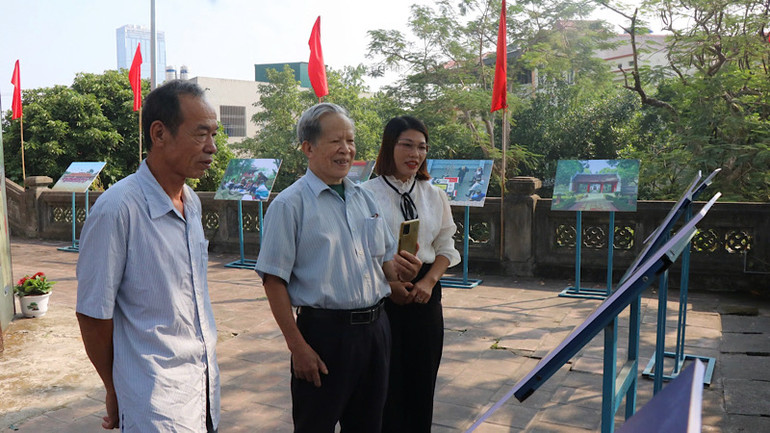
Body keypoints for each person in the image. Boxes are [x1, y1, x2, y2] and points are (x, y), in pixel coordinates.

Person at [254, 103, 422, 433]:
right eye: (335, 141)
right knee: (315, 424)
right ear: (308, 148)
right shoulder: (289, 205)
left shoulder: (364, 198)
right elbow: (273, 282)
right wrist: (298, 347)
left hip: (376, 330)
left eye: (350, 140)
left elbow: (384, 263)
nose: (346, 149)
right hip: (325, 335)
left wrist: (403, 271)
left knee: (369, 425)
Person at [76, 80, 220, 432]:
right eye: (201, 134)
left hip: (202, 389)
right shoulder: (118, 209)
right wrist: (114, 387)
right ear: (159, 133)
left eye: (213, 135)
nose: (212, 147)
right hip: (154, 402)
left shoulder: (191, 202)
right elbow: (93, 314)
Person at [362, 116, 460, 432]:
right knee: (383, 384)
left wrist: (429, 281)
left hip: (424, 297)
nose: (414, 154)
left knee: (421, 380)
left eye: (421, 147)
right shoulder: (364, 194)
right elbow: (358, 250)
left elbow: (445, 246)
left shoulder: (435, 195)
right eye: (406, 145)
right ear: (389, 146)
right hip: (381, 297)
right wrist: (388, 283)